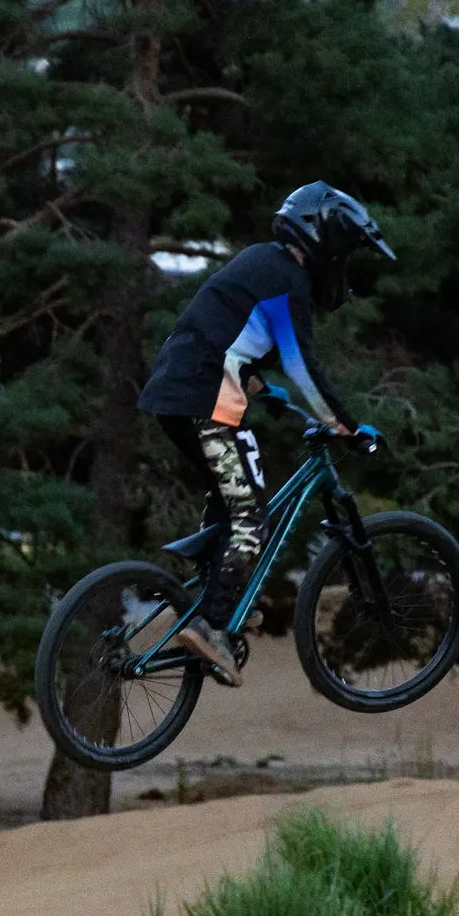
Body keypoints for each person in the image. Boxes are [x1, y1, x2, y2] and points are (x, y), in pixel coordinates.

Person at [135, 182, 395, 684]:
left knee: (235, 489)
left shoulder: (260, 261)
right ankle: (211, 625)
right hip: (204, 403)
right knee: (252, 516)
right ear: (330, 243)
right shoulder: (290, 280)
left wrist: (258, 387)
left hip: (179, 393)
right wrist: (346, 427)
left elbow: (223, 330)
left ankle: (221, 595)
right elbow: (303, 366)